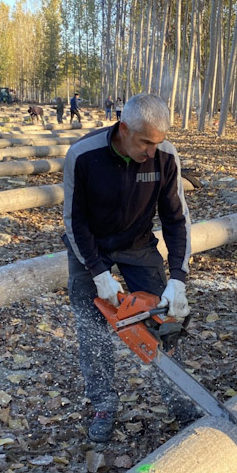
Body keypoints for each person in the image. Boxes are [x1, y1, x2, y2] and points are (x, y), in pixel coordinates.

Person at [63, 93, 192, 442]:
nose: (150, 151)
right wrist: (97, 272)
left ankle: (179, 398)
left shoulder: (165, 157)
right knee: (92, 330)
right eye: (145, 142)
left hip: (138, 243)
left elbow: (176, 219)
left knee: (163, 321)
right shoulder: (83, 154)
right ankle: (104, 403)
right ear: (124, 128)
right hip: (91, 247)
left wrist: (178, 279)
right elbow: (74, 221)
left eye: (157, 142)